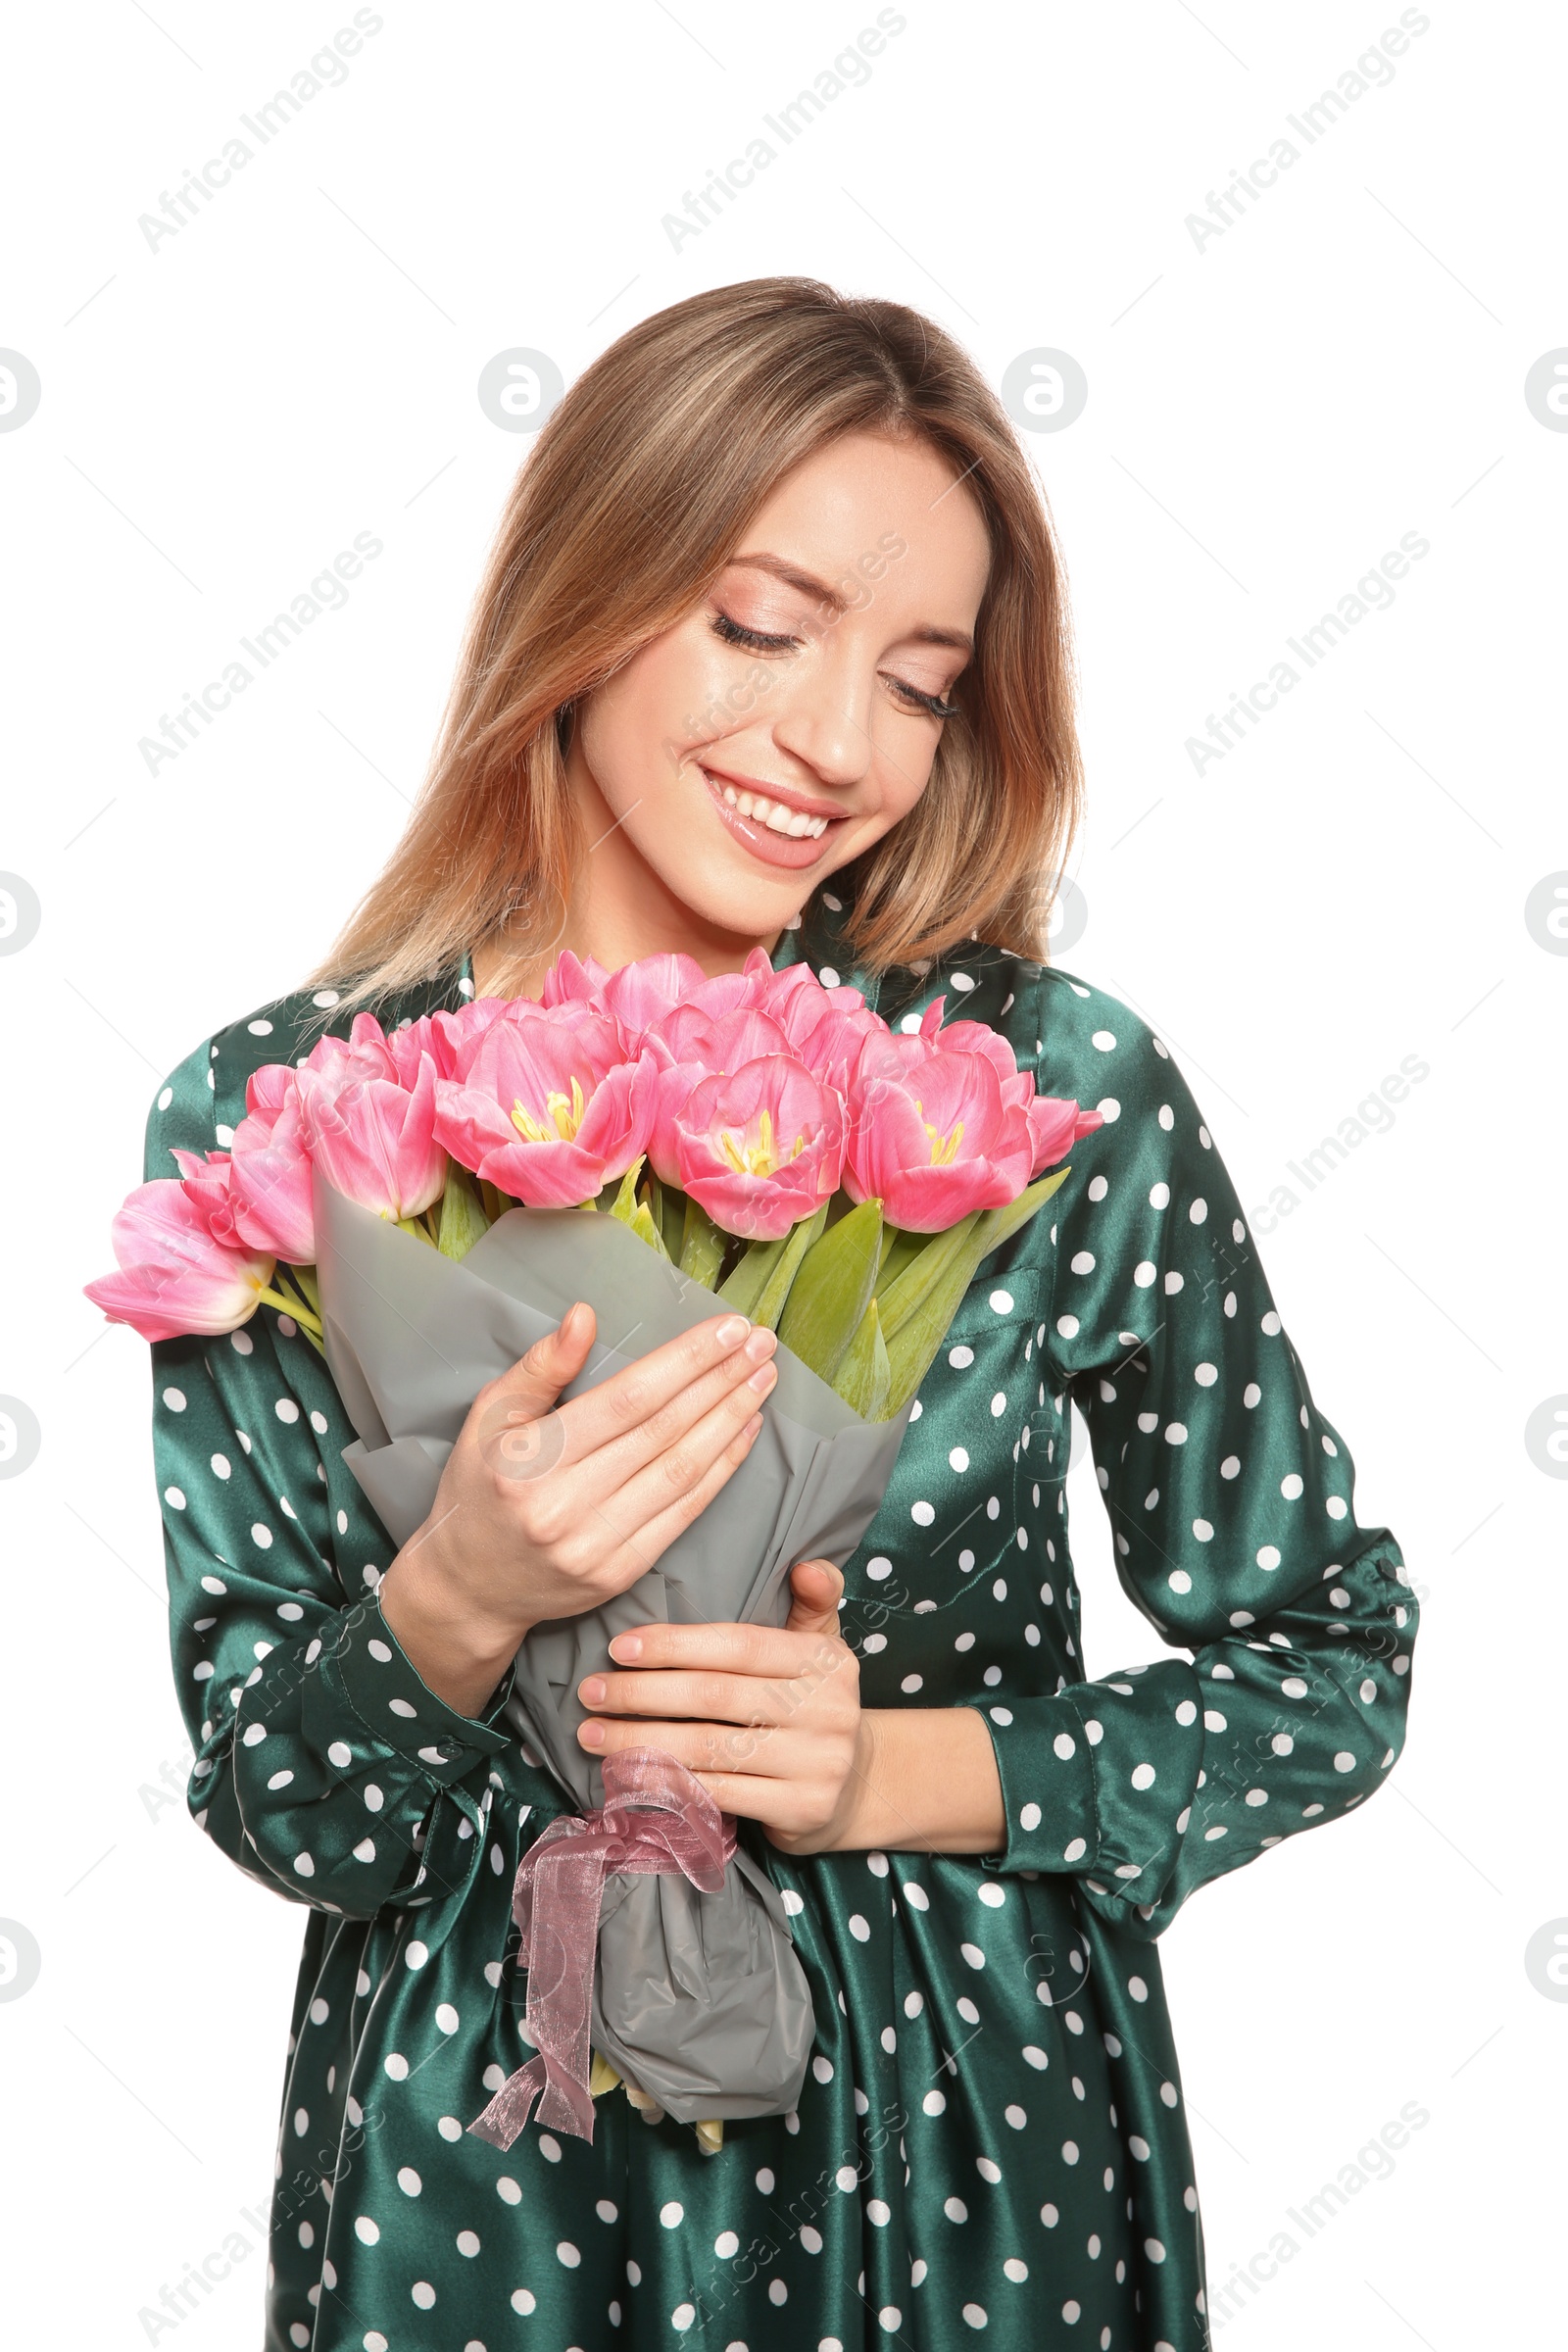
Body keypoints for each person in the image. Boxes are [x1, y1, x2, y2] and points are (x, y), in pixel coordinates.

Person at [145, 278, 1416, 2352]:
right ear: (589, 588)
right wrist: (459, 1585)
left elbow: (1326, 1664)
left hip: (962, 2150)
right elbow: (294, 1805)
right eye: (762, 626)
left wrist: (891, 1775)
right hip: (495, 2161)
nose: (837, 748)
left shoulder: (1029, 1093)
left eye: (919, 684)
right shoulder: (293, 1126)